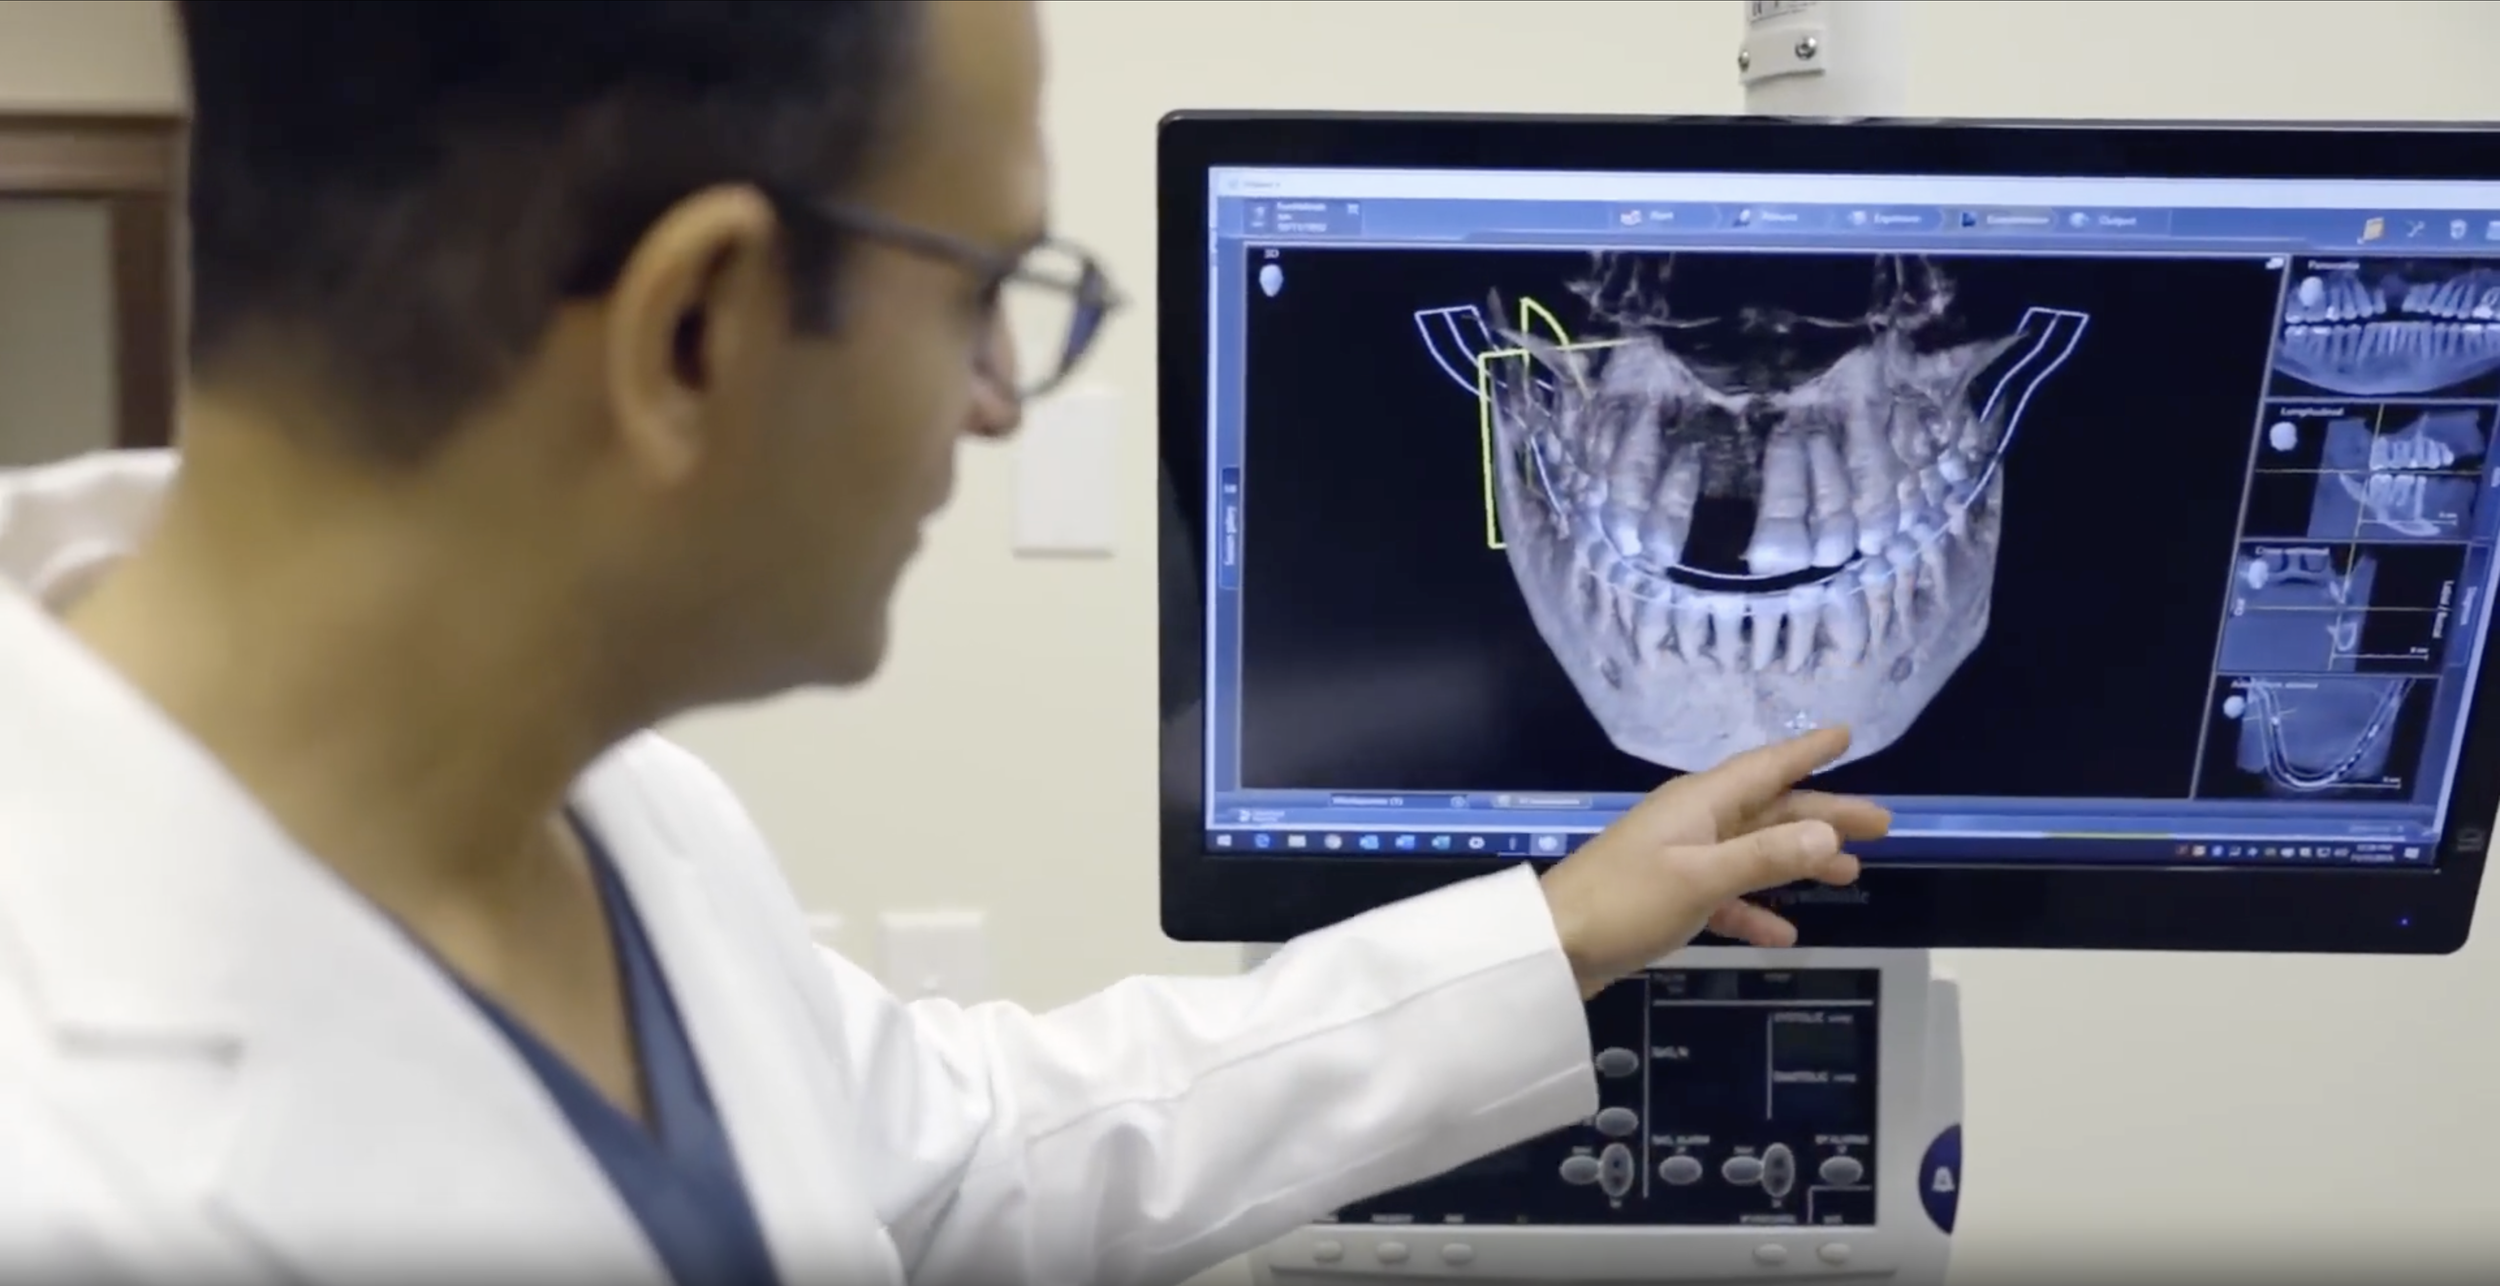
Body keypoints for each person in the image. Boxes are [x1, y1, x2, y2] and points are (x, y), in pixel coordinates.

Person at [0, 3, 1889, 1284]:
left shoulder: (615, 814)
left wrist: (1553, 929)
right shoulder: (74, 1170)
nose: (1001, 399)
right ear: (697, 330)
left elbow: (964, 1153)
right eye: (988, 293)